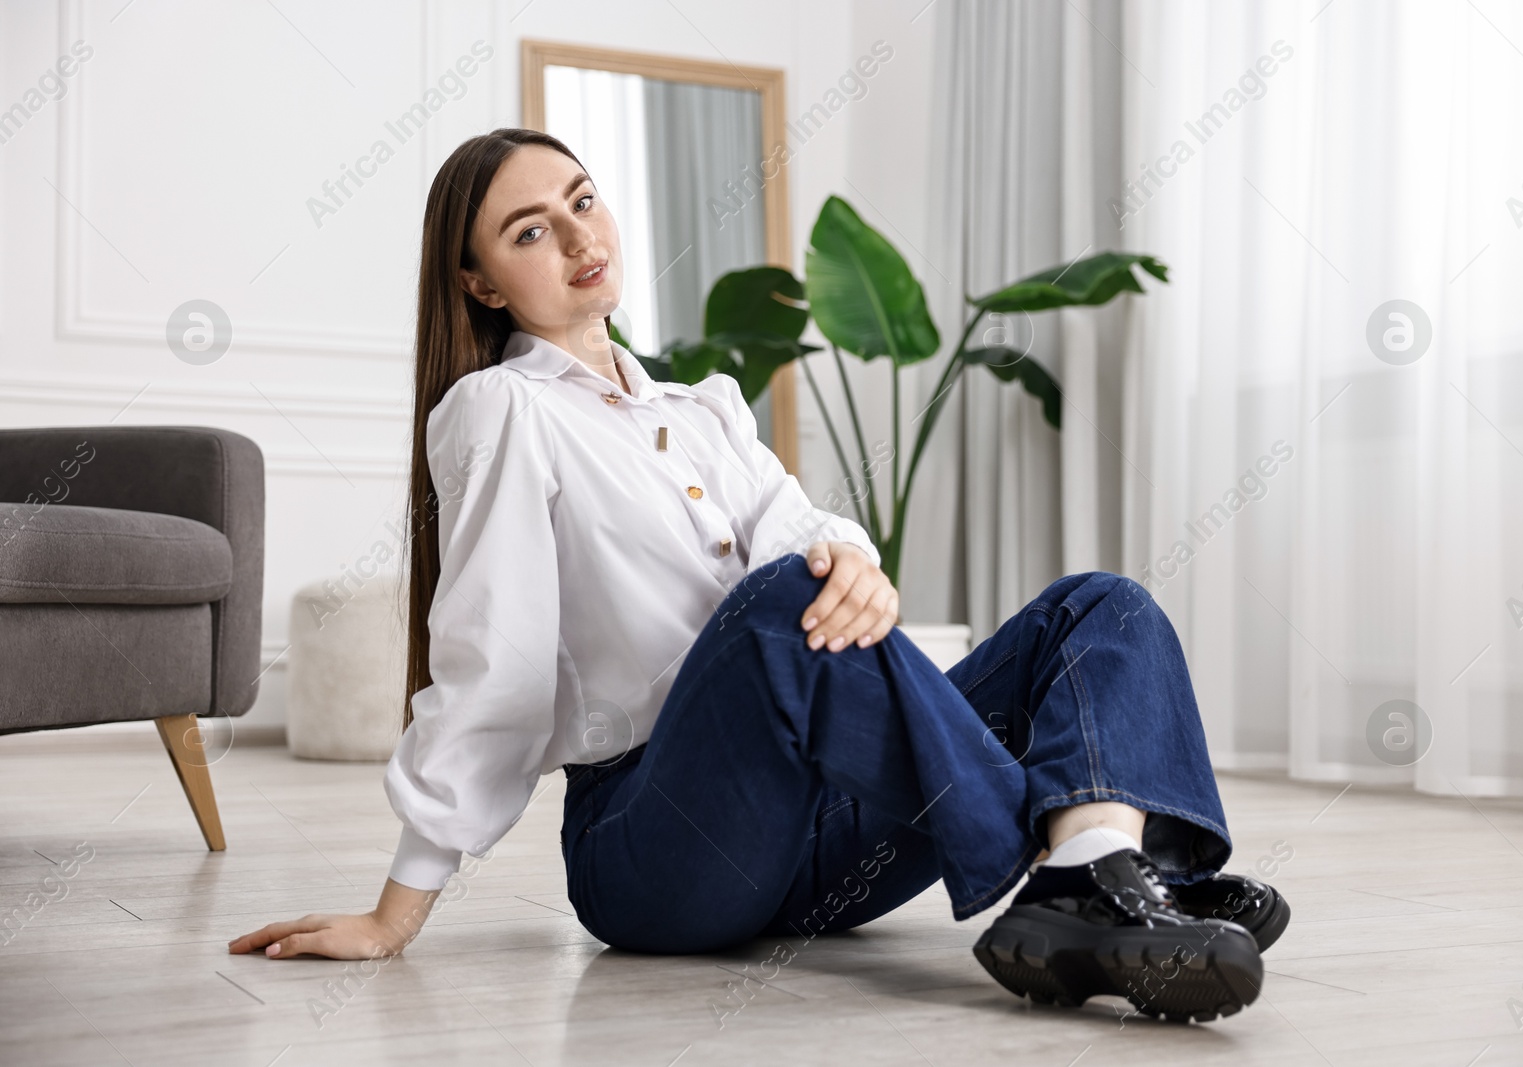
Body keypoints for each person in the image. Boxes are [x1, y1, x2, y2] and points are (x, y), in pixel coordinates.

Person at [229, 127, 1290, 1025]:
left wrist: (858, 563)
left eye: (582, 202)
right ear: (480, 281)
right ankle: (1092, 868)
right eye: (529, 232)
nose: (578, 237)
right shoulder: (502, 411)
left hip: (821, 847)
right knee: (782, 603)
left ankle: (1099, 868)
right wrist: (396, 907)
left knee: (1101, 605)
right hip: (656, 850)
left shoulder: (706, 409)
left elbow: (807, 530)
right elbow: (494, 656)